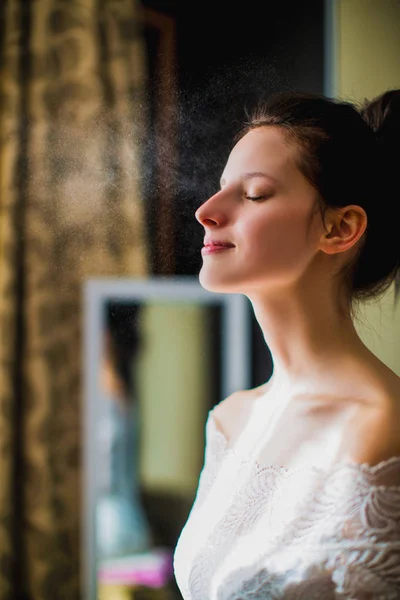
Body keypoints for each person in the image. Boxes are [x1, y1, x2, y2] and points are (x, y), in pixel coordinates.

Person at [173, 89, 400, 599]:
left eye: (252, 194)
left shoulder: (382, 428)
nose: (206, 211)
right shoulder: (229, 421)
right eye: (219, 188)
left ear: (340, 228)